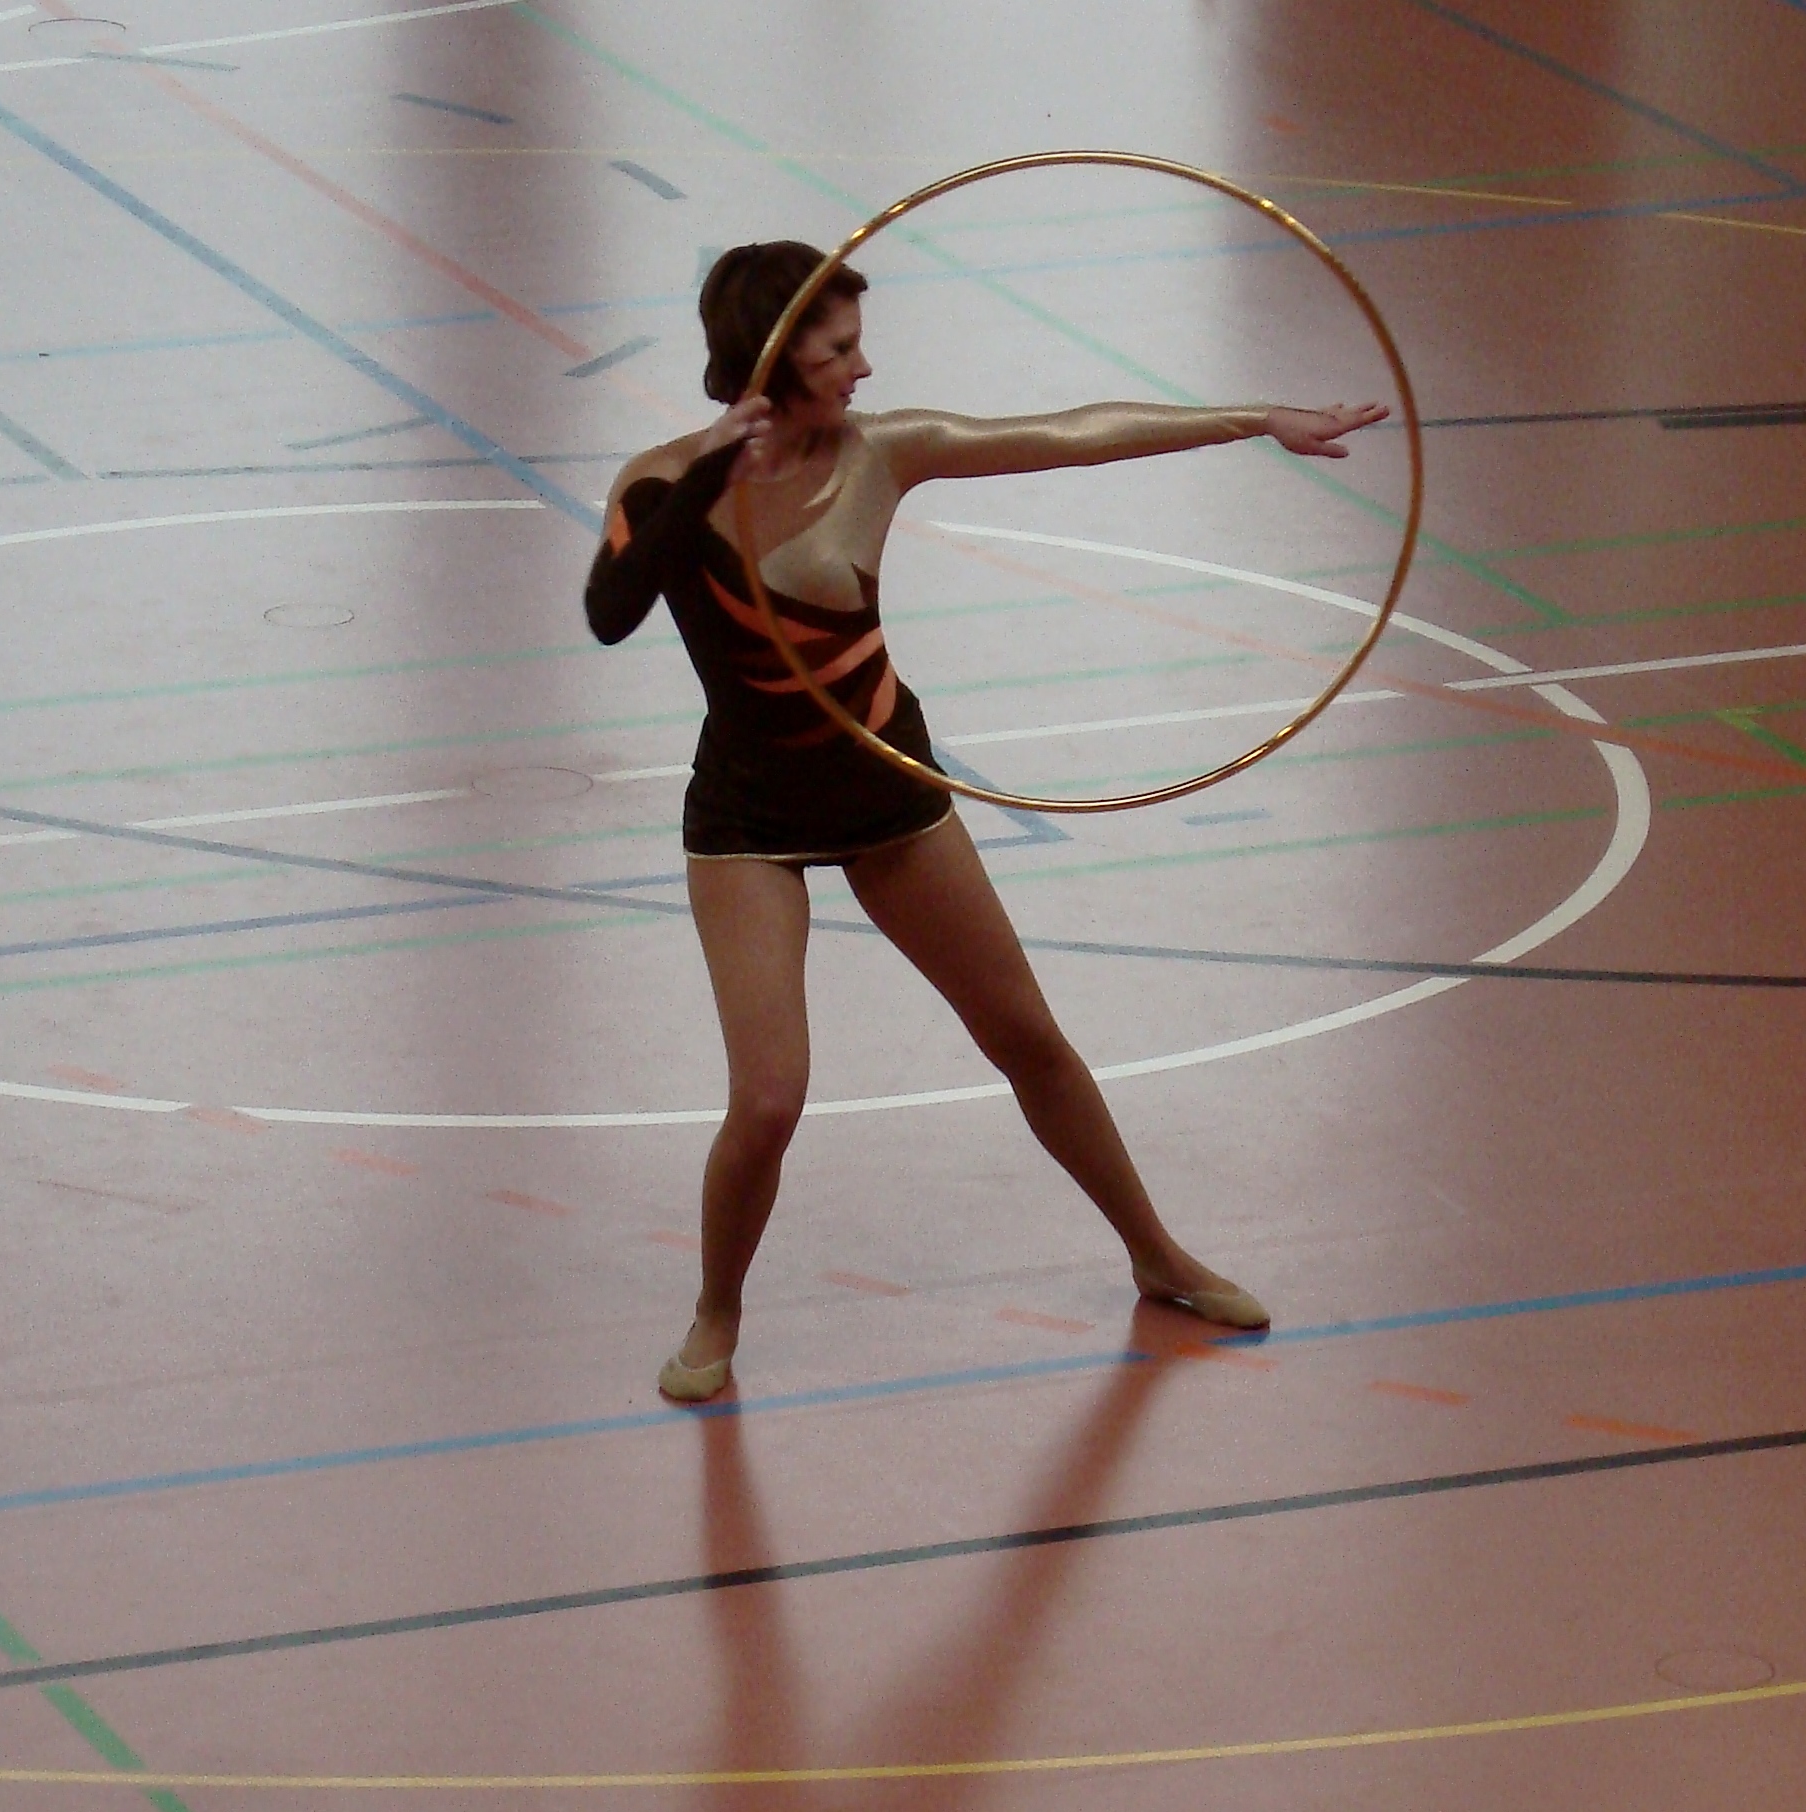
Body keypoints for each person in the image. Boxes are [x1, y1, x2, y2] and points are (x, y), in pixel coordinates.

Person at [583, 241, 1390, 1404]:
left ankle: (1157, 1254)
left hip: (888, 788)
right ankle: (717, 1312)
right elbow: (610, 611)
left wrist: (1257, 420)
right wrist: (715, 465)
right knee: (767, 1100)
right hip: (748, 813)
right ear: (774, 359)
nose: (865, 368)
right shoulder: (661, 483)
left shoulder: (882, 453)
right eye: (840, 349)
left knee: (1027, 1038)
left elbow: (1067, 434)